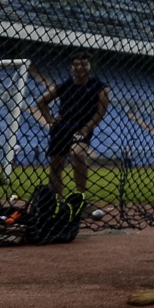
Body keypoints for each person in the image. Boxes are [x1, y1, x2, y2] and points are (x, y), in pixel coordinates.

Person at [34, 53, 109, 199]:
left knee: (78, 154)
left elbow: (101, 112)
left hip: (81, 127)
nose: (79, 67)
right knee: (56, 165)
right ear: (71, 67)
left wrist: (87, 128)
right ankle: (57, 200)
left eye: (84, 64)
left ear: (89, 66)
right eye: (76, 64)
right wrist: (50, 120)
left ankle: (79, 197)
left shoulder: (99, 87)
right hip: (61, 128)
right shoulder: (65, 85)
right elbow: (41, 101)